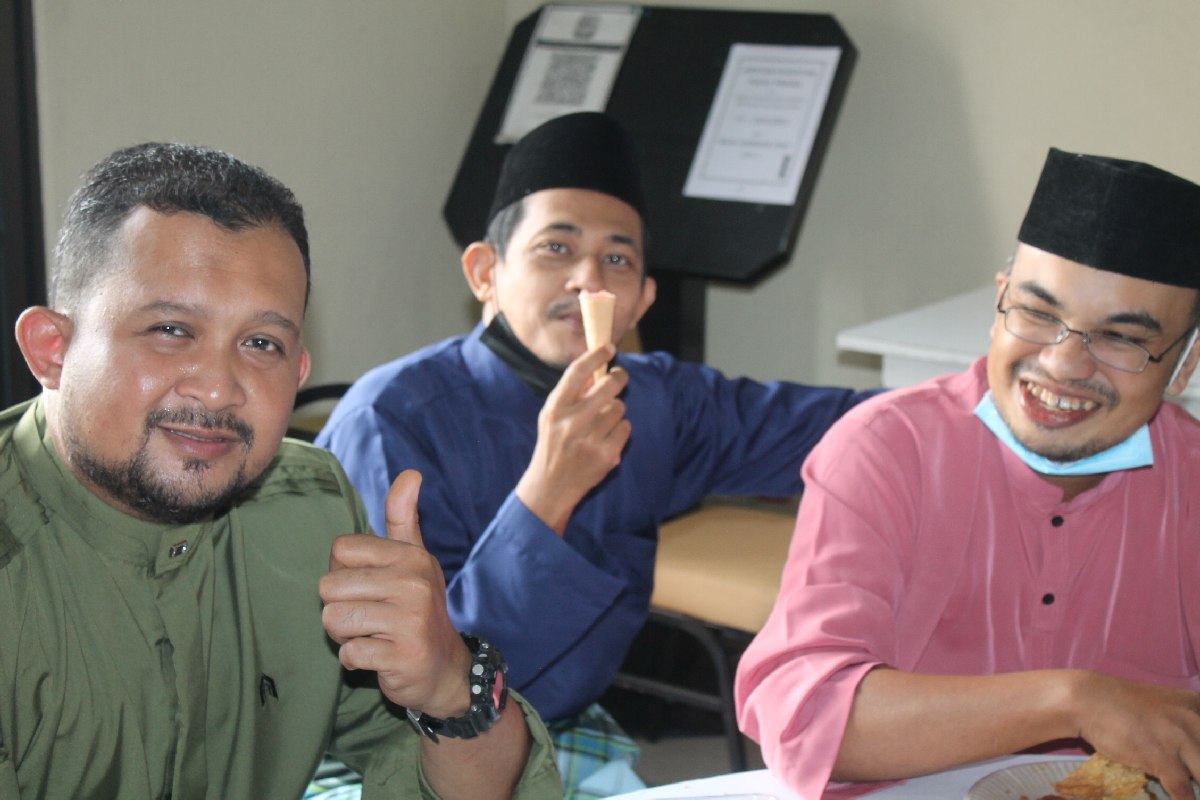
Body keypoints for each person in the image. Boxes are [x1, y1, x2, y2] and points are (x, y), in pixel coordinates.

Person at [316, 111, 877, 798]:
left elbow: (856, 429)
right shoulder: (391, 421)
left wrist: (979, 395)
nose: (588, 278)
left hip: (562, 723)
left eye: (617, 260)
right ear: (485, 271)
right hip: (396, 748)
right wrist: (548, 492)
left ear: (641, 301)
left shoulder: (656, 401)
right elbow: (404, 678)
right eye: (556, 248)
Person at [0, 142, 562, 799]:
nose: (218, 388)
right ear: (52, 350)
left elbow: (464, 779)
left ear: (297, 373)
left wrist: (451, 684)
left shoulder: (309, 507)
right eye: (171, 330)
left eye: (260, 343)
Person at [735, 147, 1200, 800]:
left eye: (1121, 338)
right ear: (999, 301)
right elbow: (807, 716)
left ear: (1183, 365)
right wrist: (1071, 700)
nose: (1064, 365)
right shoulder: (886, 450)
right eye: (1038, 314)